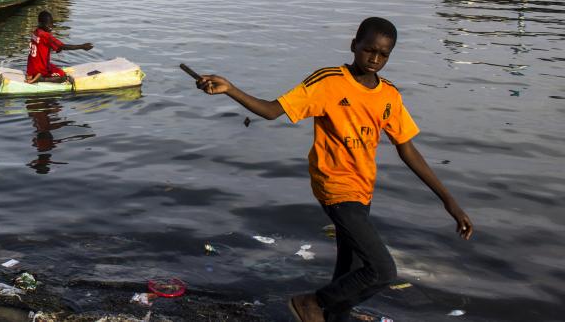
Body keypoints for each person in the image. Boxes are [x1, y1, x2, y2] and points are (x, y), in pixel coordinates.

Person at [193, 17, 473, 322]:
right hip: (335, 188)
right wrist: (230, 89)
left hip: (363, 190)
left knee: (350, 275)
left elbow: (407, 149)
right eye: (369, 50)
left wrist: (449, 200)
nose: (375, 59)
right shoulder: (328, 81)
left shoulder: (389, 95)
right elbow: (272, 110)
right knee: (382, 270)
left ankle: (330, 313)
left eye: (383, 54)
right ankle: (310, 303)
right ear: (354, 46)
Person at [25, 10, 93, 85]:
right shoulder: (46, 36)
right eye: (48, 25)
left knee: (56, 68)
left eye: (51, 24)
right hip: (40, 69)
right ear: (41, 24)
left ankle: (32, 75)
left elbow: (44, 46)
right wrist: (82, 46)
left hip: (31, 68)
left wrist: (59, 48)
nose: (50, 27)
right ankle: (41, 79)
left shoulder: (36, 32)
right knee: (63, 77)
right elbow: (63, 46)